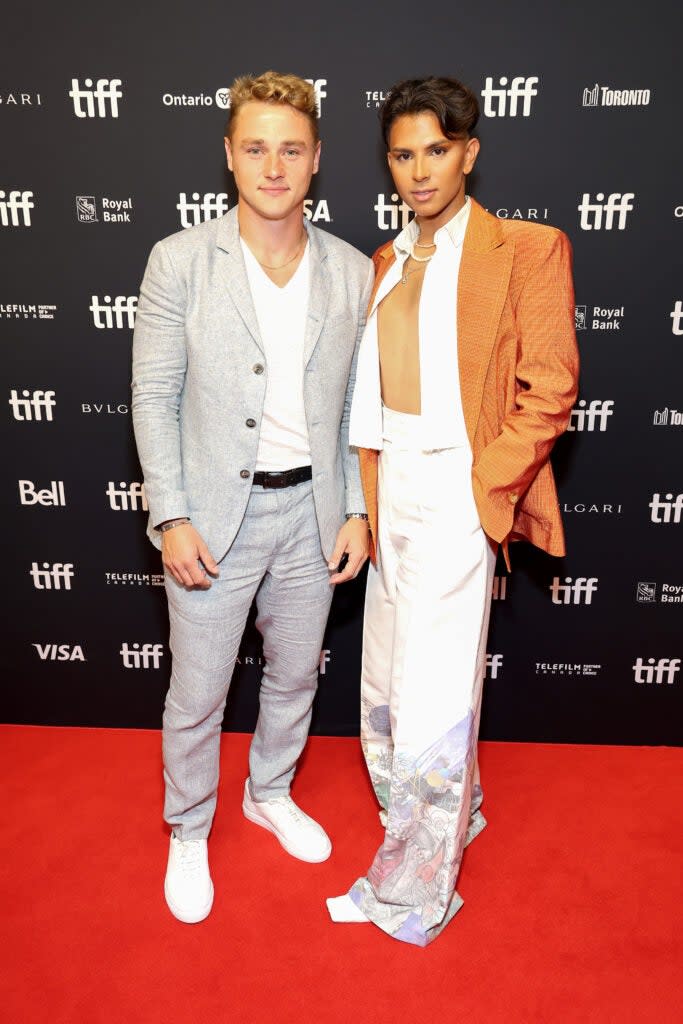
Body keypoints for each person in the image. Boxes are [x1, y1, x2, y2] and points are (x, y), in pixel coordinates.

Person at [327, 76, 579, 946]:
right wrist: (361, 502)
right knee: (384, 685)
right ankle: (437, 820)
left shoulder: (527, 248)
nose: (419, 170)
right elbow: (366, 398)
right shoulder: (384, 262)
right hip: (387, 484)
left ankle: (413, 890)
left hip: (457, 490)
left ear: (468, 151)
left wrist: (487, 488)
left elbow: (549, 387)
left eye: (437, 150)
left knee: (432, 697)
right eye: (402, 154)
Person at [132, 71, 372, 924]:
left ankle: (268, 792)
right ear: (230, 155)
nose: (274, 165)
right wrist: (171, 514)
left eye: (292, 149)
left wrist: (355, 507)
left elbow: (353, 406)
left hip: (310, 516)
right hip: (210, 521)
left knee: (294, 679)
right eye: (257, 147)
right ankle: (188, 827)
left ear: (316, 162)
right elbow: (153, 396)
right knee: (196, 693)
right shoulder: (179, 261)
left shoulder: (351, 271)